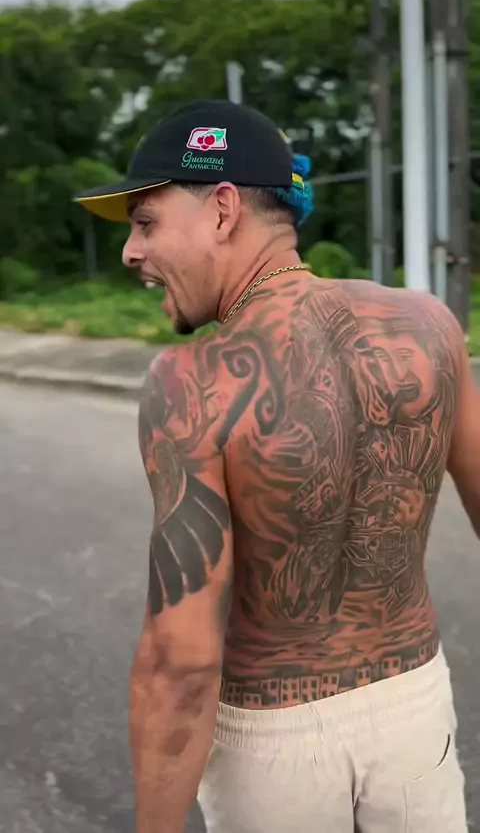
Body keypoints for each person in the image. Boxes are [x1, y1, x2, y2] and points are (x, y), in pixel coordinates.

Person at [74, 99, 477, 833]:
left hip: (274, 748)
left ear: (223, 209)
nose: (132, 252)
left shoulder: (191, 384)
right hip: (414, 712)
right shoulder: (431, 327)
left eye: (146, 221)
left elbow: (181, 663)